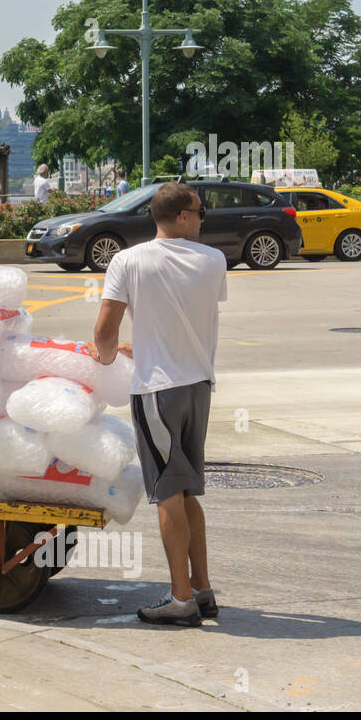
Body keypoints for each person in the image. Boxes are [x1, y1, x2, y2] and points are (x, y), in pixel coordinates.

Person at [89, 182, 226, 627]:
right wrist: (142, 345)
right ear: (183, 216)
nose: (204, 218)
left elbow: (104, 333)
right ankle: (201, 589)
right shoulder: (214, 261)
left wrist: (107, 357)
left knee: (167, 493)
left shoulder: (127, 261)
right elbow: (181, 317)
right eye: (201, 211)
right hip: (198, 386)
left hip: (156, 390)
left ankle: (181, 598)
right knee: (186, 493)